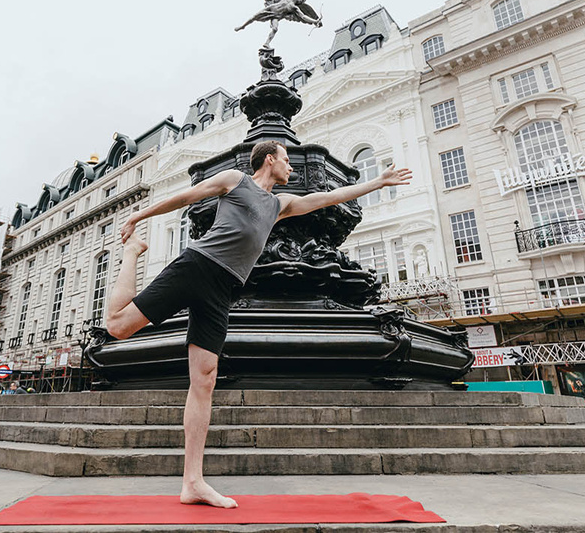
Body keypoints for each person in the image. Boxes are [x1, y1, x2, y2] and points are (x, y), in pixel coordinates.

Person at [106, 140, 412, 508]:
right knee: (118, 327)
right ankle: (131, 254)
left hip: (225, 288)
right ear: (270, 159)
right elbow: (188, 196)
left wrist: (377, 183)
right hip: (197, 267)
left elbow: (327, 199)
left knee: (205, 378)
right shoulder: (235, 180)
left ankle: (193, 482)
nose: (292, 168)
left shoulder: (279, 205)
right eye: (286, 161)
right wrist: (139, 218)